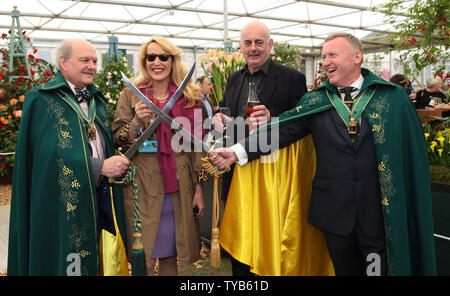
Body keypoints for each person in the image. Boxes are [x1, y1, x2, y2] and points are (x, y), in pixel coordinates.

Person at [211, 33, 436, 276]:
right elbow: (282, 130)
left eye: (332, 55)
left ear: (356, 57)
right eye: (323, 56)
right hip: (334, 216)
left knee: (375, 270)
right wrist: (237, 151)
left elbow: (410, 150)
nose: (326, 62)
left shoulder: (391, 97)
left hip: (378, 214)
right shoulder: (315, 100)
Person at [8, 39, 130, 276]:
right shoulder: (41, 98)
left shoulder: (97, 100)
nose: (92, 66)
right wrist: (99, 167)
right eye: (84, 60)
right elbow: (47, 156)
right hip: (58, 205)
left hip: (97, 198)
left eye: (94, 61)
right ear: (63, 63)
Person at [212, 21, 308, 276]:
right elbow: (225, 115)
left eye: (259, 42)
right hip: (236, 174)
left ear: (270, 45)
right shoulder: (233, 78)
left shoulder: (292, 79)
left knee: (268, 247)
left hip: (272, 183)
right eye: (247, 43)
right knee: (239, 248)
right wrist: (217, 121)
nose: (253, 48)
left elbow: (301, 125)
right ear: (240, 46)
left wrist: (273, 117)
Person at [112, 36, 206, 276]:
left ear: (173, 61)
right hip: (142, 187)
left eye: (163, 57)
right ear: (144, 61)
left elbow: (196, 148)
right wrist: (136, 122)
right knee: (144, 257)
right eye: (150, 57)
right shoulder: (131, 94)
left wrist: (198, 190)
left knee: (169, 256)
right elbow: (118, 137)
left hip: (178, 187)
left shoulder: (189, 97)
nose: (157, 62)